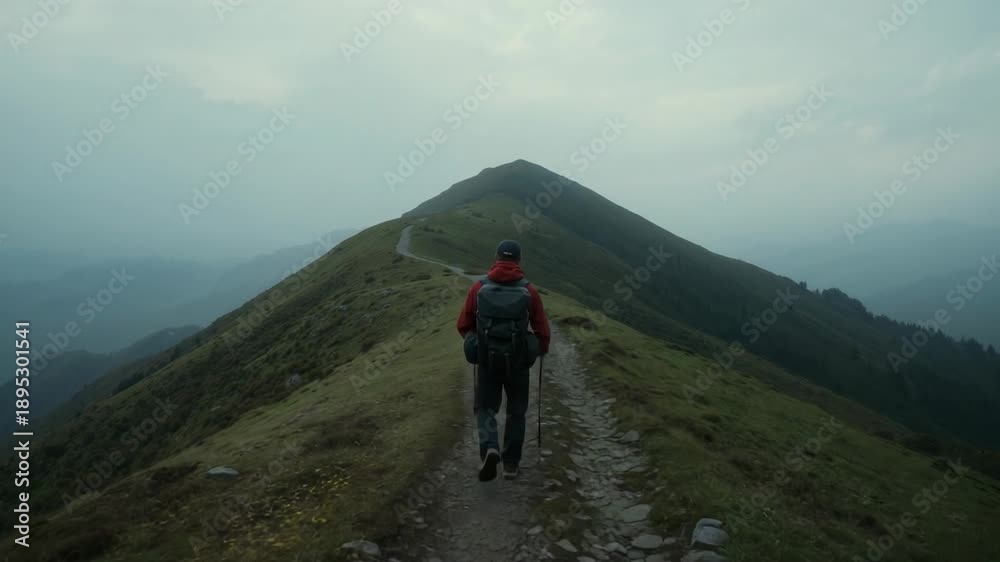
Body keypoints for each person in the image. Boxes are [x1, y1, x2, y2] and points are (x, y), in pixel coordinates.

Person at [457, 240, 550, 481]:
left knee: (485, 408)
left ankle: (490, 448)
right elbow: (542, 330)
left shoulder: (479, 287)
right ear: (518, 260)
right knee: (516, 412)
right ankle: (510, 465)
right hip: (518, 363)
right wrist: (540, 350)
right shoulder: (529, 291)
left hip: (488, 361)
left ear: (496, 257)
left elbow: (463, 324)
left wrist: (479, 341)